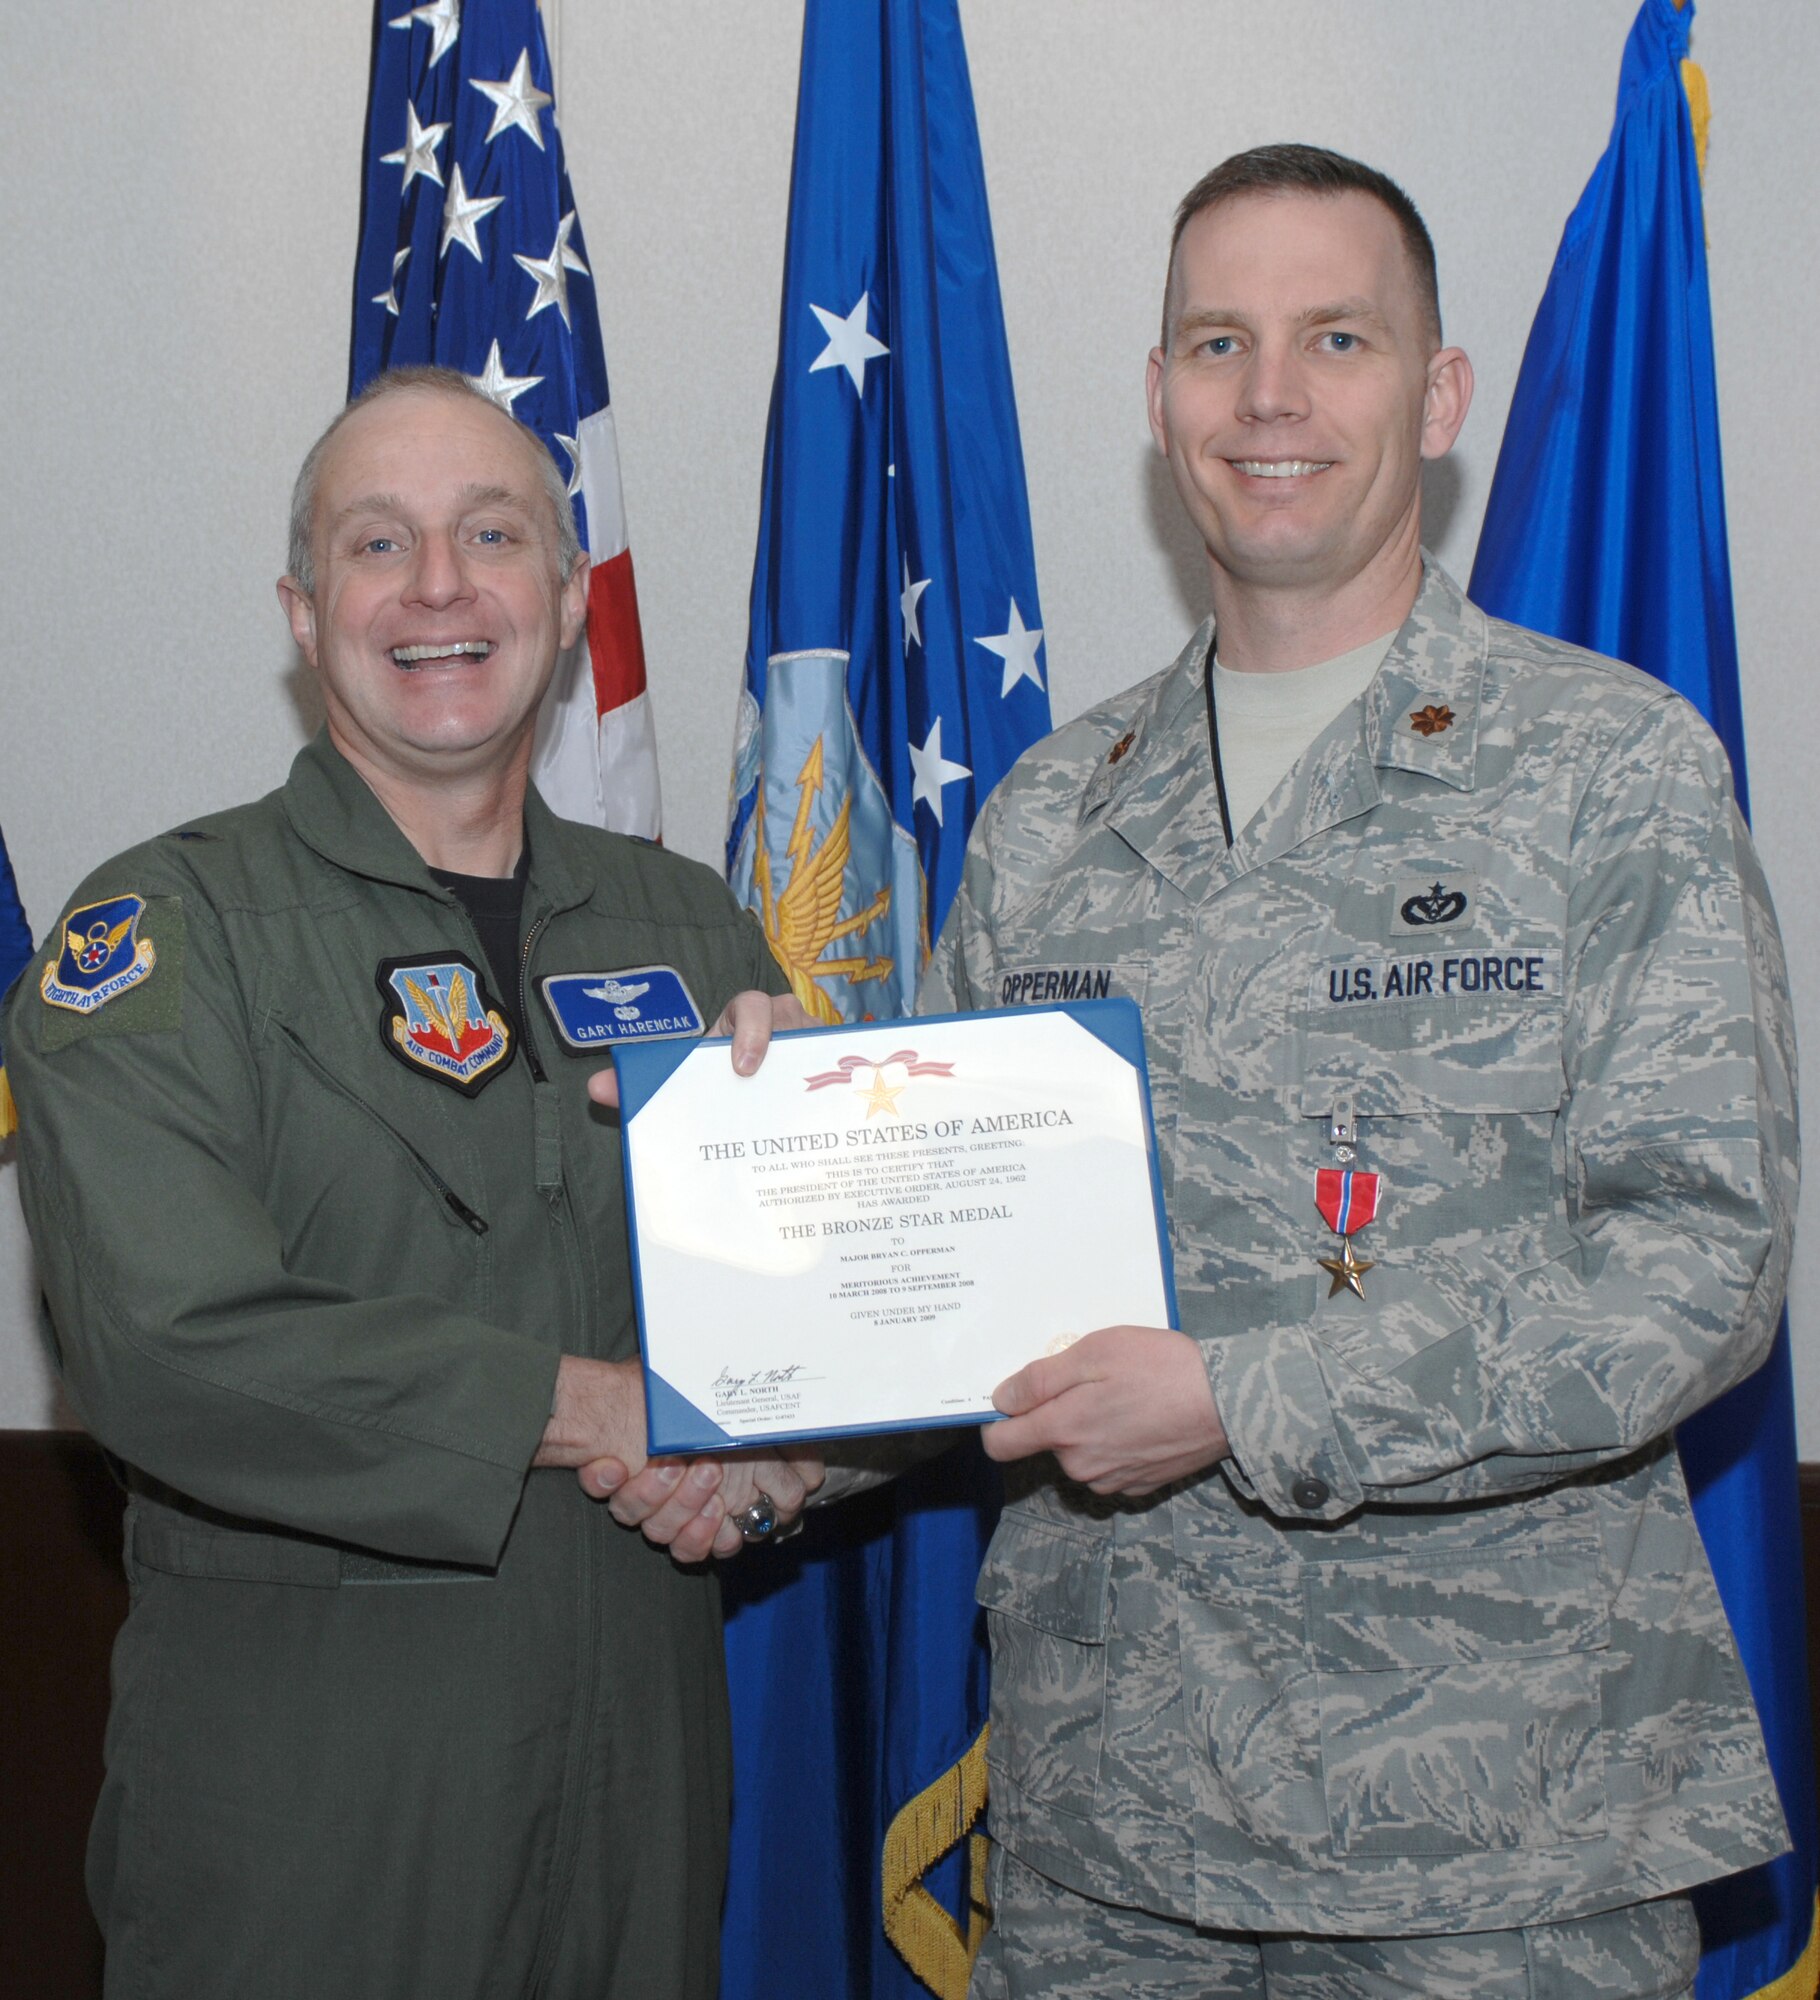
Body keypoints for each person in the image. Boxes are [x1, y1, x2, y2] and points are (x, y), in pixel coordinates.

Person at [920, 146, 1798, 2000]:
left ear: (1442, 393)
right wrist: (738, 1253)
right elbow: (941, 1260)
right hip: (1111, 1846)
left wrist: (1250, 1396)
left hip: (1498, 1855)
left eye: (1337, 337)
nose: (1271, 398)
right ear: (1159, 397)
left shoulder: (1607, 768)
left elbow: (1697, 1260)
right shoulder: (1046, 820)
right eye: (1217, 343)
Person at [4, 366, 819, 2000]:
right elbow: (167, 1342)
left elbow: (836, 1332)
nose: (439, 587)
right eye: (380, 545)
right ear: (304, 616)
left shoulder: (696, 932)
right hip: (315, 1804)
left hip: (638, 1784)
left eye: (490, 533)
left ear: (568, 598)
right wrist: (603, 1411)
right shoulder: (168, 936)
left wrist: (786, 1457)